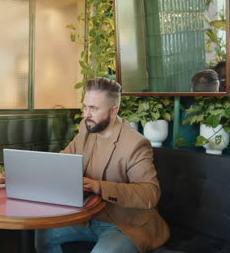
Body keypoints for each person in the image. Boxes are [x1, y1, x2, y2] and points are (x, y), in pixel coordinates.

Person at [35, 77, 169, 253]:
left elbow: (149, 193)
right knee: (41, 234)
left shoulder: (135, 144)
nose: (86, 114)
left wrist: (100, 187)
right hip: (88, 217)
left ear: (114, 110)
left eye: (94, 108)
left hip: (125, 223)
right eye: (85, 106)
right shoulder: (87, 128)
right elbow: (64, 160)